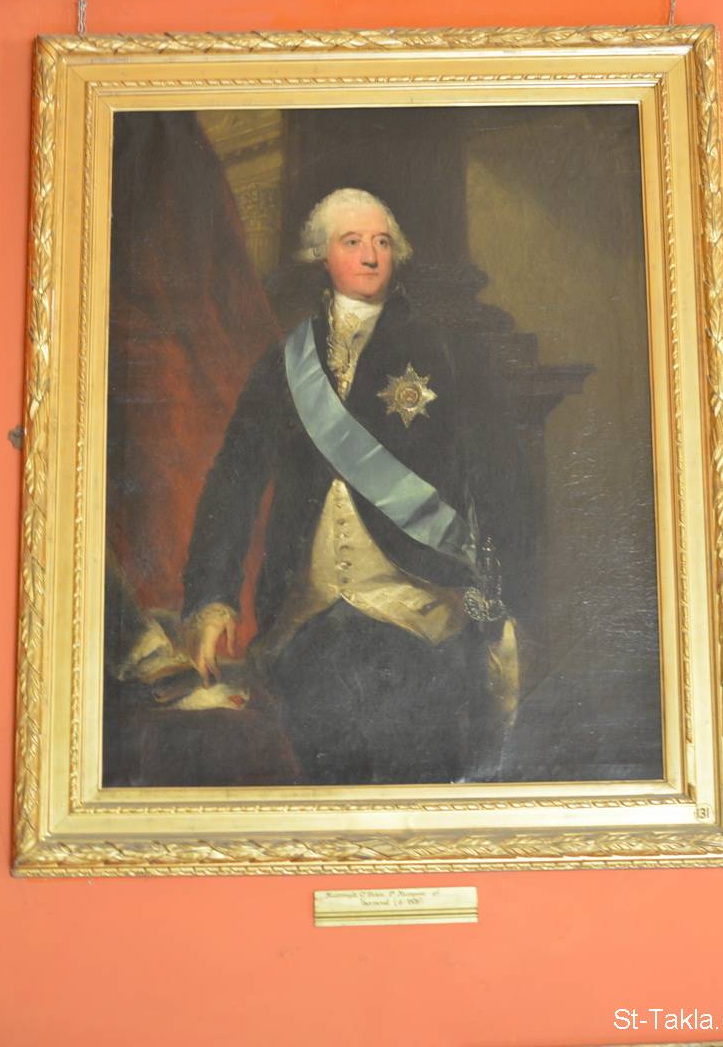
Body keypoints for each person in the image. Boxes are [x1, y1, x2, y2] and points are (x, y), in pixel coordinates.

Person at [182, 188, 528, 784]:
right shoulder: (286, 360)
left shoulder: (447, 351)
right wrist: (213, 596)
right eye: (353, 242)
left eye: (382, 242)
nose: (371, 256)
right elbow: (235, 477)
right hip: (307, 620)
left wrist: (499, 596)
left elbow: (498, 478)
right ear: (322, 255)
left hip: (423, 617)